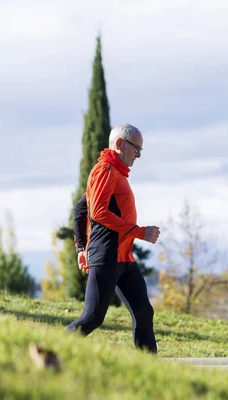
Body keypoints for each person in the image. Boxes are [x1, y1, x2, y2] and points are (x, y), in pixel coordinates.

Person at [66, 123, 161, 353]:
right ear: (119, 144)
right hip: (107, 257)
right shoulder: (105, 170)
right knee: (92, 318)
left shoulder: (115, 172)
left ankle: (149, 369)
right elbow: (96, 212)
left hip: (124, 258)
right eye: (135, 148)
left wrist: (80, 248)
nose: (138, 155)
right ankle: (50, 351)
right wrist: (140, 232)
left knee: (143, 311)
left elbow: (80, 210)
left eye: (140, 150)